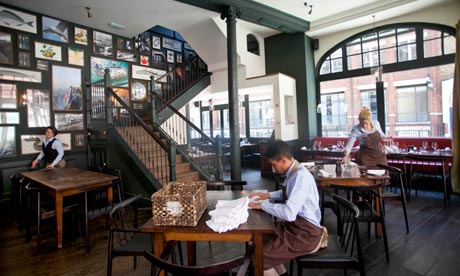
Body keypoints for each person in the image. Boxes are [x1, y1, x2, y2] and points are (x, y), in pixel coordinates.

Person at [248, 140, 327, 276]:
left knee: (258, 258)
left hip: (306, 234)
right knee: (259, 241)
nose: (273, 169)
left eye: (274, 165)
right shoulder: (296, 171)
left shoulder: (300, 177)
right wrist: (268, 195)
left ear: (283, 160)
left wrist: (263, 205)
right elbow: (292, 194)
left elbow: (289, 213)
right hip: (296, 227)